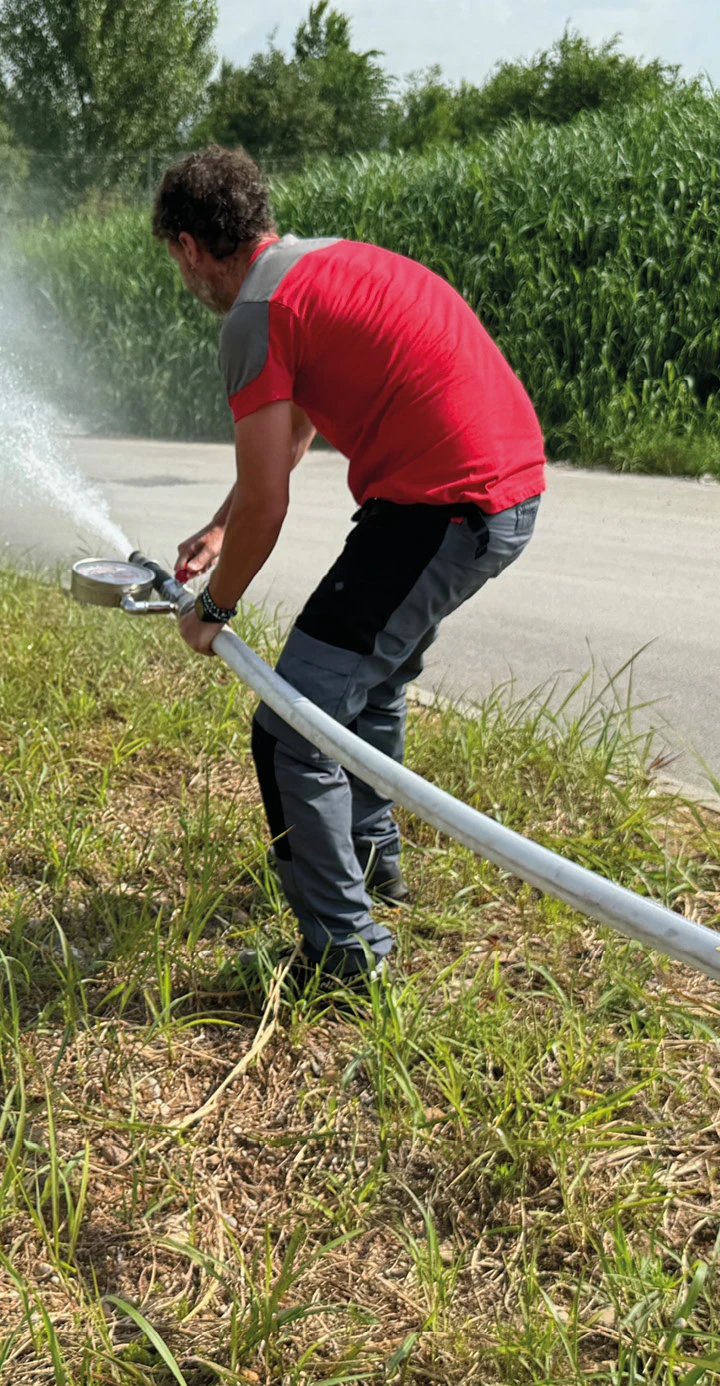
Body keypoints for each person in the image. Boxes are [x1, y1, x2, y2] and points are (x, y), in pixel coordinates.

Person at [154, 146, 545, 984]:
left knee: (291, 727)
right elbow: (290, 436)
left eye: (177, 262)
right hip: (501, 495)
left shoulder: (251, 315)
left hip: (440, 507)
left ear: (188, 247)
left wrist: (213, 609)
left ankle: (344, 958)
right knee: (364, 692)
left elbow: (272, 503)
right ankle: (374, 876)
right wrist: (222, 527)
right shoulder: (321, 264)